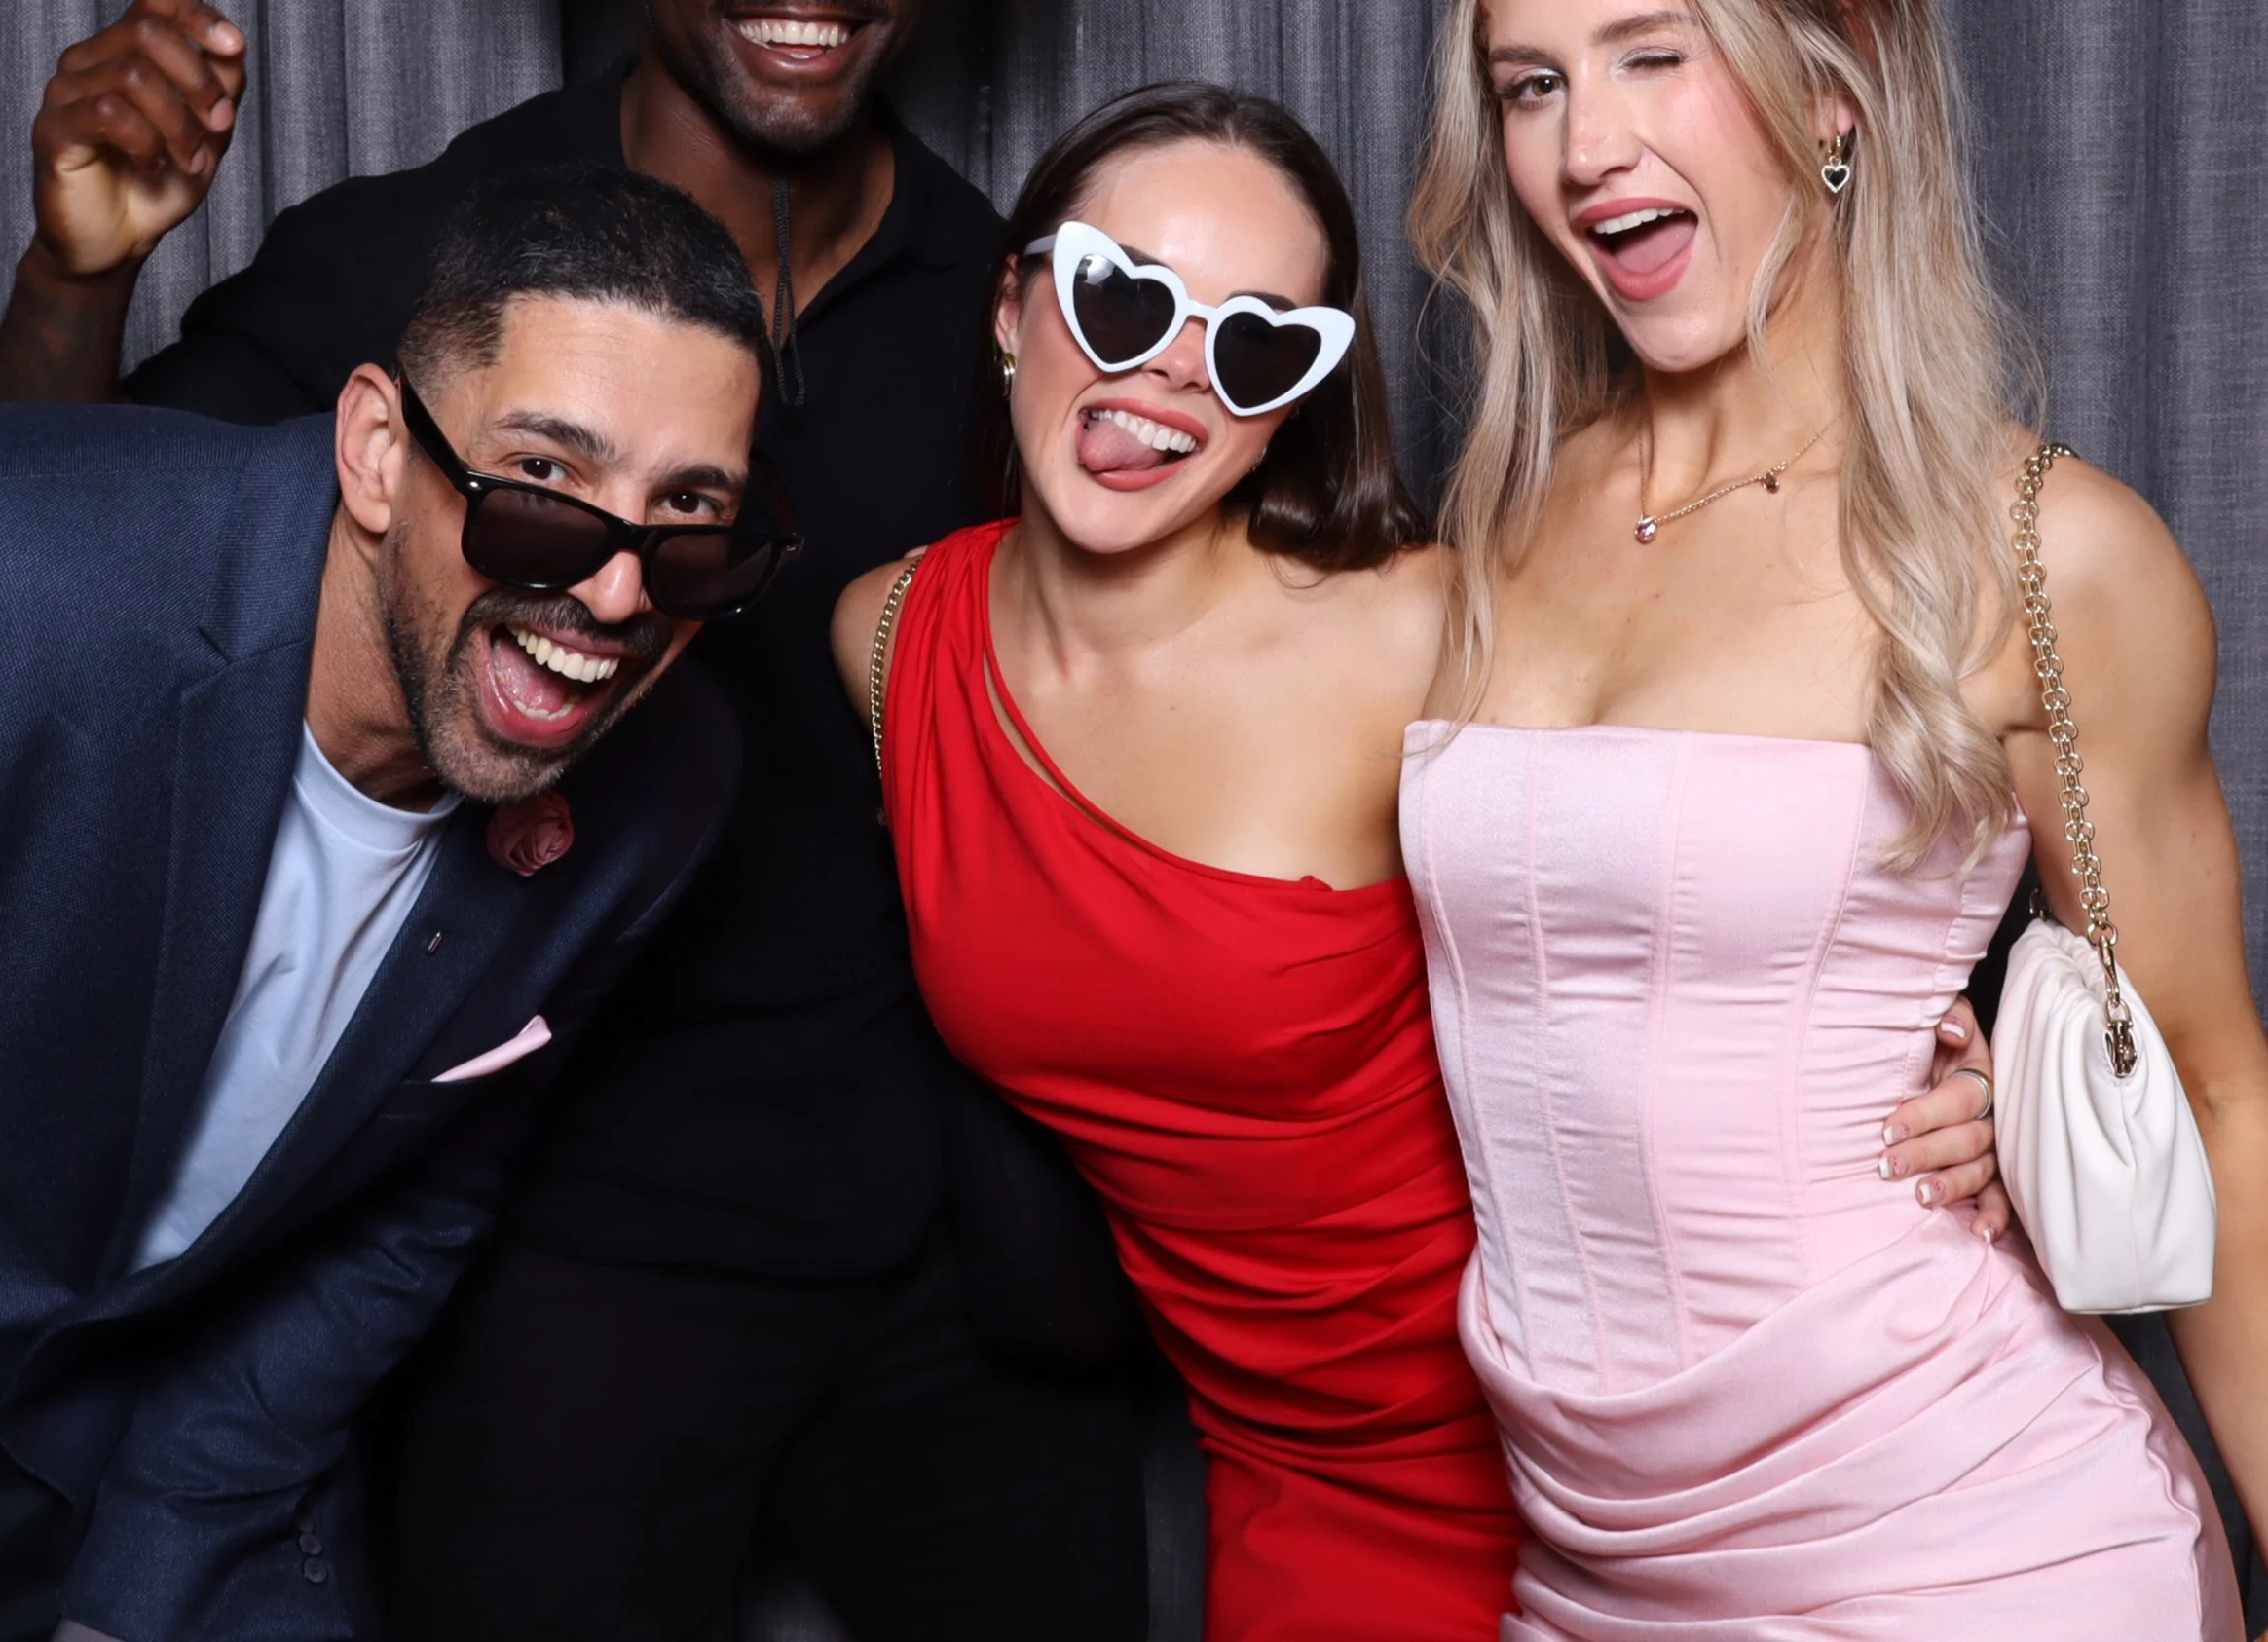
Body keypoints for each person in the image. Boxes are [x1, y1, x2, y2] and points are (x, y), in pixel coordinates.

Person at [0, 0, 1148, 1640]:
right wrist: (81, 274)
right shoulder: (433, 259)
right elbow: (51, 561)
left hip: (937, 1256)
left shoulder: (1011, 309)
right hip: (555, 1246)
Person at [834, 82, 2009, 1642]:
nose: (1171, 374)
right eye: (1121, 299)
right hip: (1294, 1470)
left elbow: (1767, 798)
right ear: (1013, 302)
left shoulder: (1415, 630)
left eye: (1255, 342)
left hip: (1615, 1427)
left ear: (1297, 398)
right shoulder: (890, 636)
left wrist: (1970, 1049)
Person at [1401, 0, 2267, 1636]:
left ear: (1835, 72)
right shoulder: (1489, 525)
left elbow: (2213, 1089)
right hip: (1584, 1567)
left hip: (1966, 1539)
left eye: (1653, 52)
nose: (1585, 145)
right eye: (1528, 82)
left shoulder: (2043, 551)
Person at [0, 162, 782, 1641]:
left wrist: (142, 1584)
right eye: (543, 489)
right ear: (376, 452)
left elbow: (404, 1214)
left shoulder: (667, 776)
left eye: (690, 518)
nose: (613, 597)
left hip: (153, 1463)